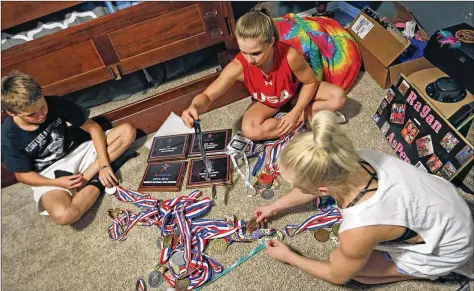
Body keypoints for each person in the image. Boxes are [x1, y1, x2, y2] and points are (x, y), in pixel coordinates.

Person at [254, 110, 473, 284]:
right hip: (451, 207)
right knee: (351, 259)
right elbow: (310, 185)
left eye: (294, 184)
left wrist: (289, 257)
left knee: (353, 272)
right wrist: (275, 206)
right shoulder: (359, 155)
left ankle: (426, 272)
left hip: (451, 248)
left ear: (322, 189)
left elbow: (336, 276)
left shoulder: (358, 229)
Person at [181, 6, 346, 141]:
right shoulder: (237, 66)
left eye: (256, 53)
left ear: (271, 42)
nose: (249, 59)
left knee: (338, 97)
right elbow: (208, 96)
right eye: (243, 52)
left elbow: (311, 82)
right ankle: (308, 119)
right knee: (249, 130)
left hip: (295, 93)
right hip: (267, 101)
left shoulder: (290, 55)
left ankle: (298, 119)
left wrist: (296, 111)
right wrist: (193, 107)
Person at [1, 71, 137, 225]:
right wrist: (57, 184)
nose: (41, 115)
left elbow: (93, 128)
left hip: (77, 151)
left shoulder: (55, 103)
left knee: (127, 132)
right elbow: (22, 175)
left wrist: (104, 165)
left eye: (42, 106)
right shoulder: (8, 136)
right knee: (63, 216)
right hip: (48, 174)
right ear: (11, 113)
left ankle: (92, 174)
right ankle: (98, 181)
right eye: (32, 114)